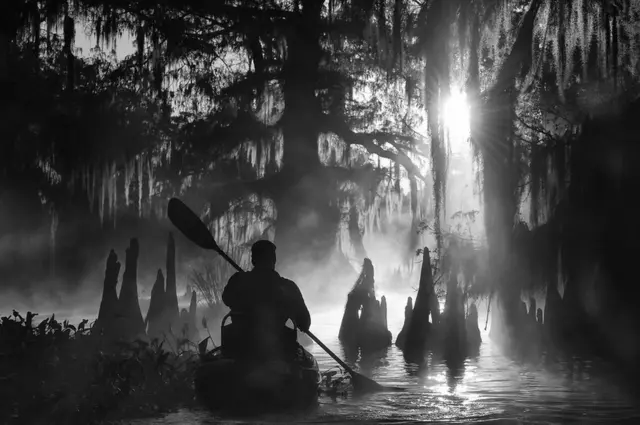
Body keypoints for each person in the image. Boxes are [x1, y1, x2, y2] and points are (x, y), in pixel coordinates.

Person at [221, 240, 311, 362]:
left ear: (253, 260)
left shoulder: (238, 281)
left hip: (239, 348)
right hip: (277, 351)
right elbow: (305, 323)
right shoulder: (288, 287)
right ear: (274, 260)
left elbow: (226, 299)